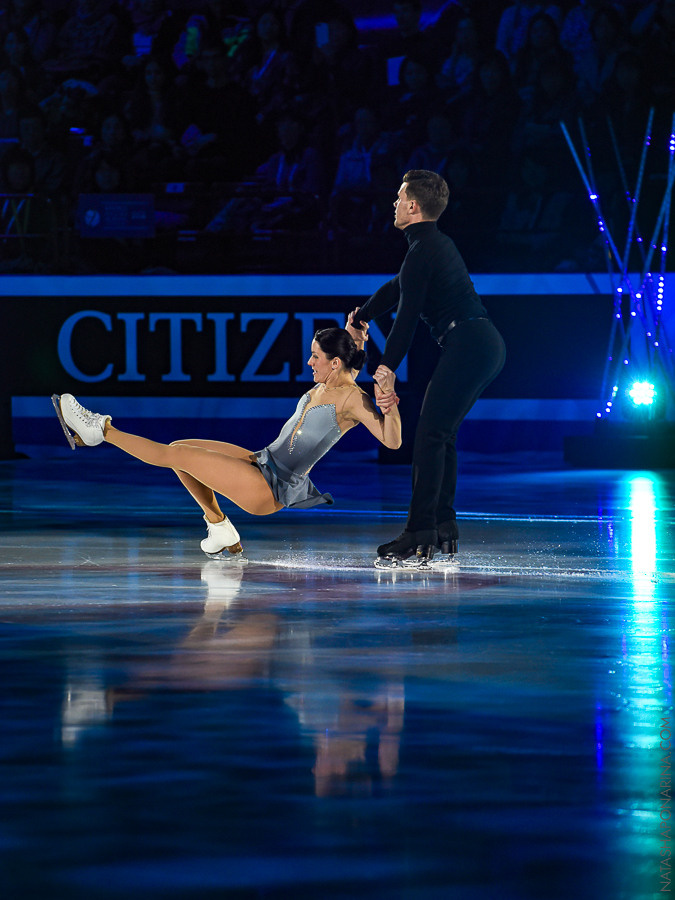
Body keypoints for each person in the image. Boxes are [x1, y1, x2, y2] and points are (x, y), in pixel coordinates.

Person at [52, 323, 401, 558]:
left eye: (315, 357)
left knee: (175, 456)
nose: (309, 362)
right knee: (180, 449)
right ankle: (219, 528)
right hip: (261, 461)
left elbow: (392, 441)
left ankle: (100, 430)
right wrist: (357, 333)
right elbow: (348, 352)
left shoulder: (353, 400)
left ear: (335, 362)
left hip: (270, 488)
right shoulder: (335, 375)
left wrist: (391, 398)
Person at [349, 169, 506, 565]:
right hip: (480, 344)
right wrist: (362, 315)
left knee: (431, 435)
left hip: (471, 345)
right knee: (441, 435)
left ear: (413, 206)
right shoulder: (429, 247)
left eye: (399, 198)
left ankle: (420, 530)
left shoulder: (424, 250)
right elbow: (397, 288)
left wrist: (386, 366)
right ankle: (443, 526)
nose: (395, 204)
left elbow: (406, 316)